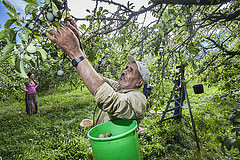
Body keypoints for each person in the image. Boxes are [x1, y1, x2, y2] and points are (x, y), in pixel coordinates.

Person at [46, 18, 150, 125]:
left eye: (131, 71)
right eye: (126, 68)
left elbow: (110, 101)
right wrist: (77, 44)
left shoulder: (139, 99)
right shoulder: (121, 89)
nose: (124, 71)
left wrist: (75, 52)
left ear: (139, 82)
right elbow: (94, 77)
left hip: (116, 142)